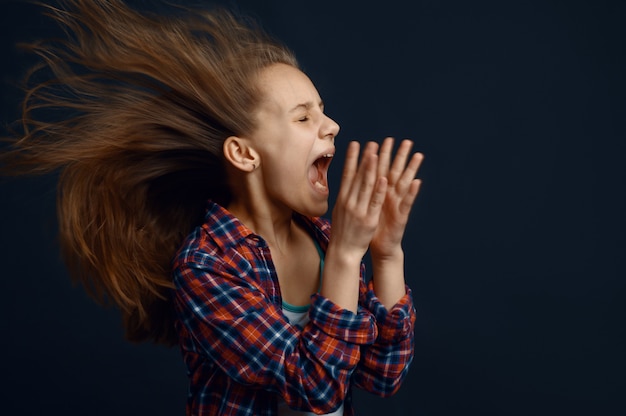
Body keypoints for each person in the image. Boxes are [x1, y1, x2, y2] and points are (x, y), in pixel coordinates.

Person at [1, 0, 424, 415]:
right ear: (243, 153)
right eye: (302, 118)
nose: (332, 126)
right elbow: (315, 388)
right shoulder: (206, 267)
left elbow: (381, 376)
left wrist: (386, 254)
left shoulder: (323, 240)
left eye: (324, 111)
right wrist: (348, 258)